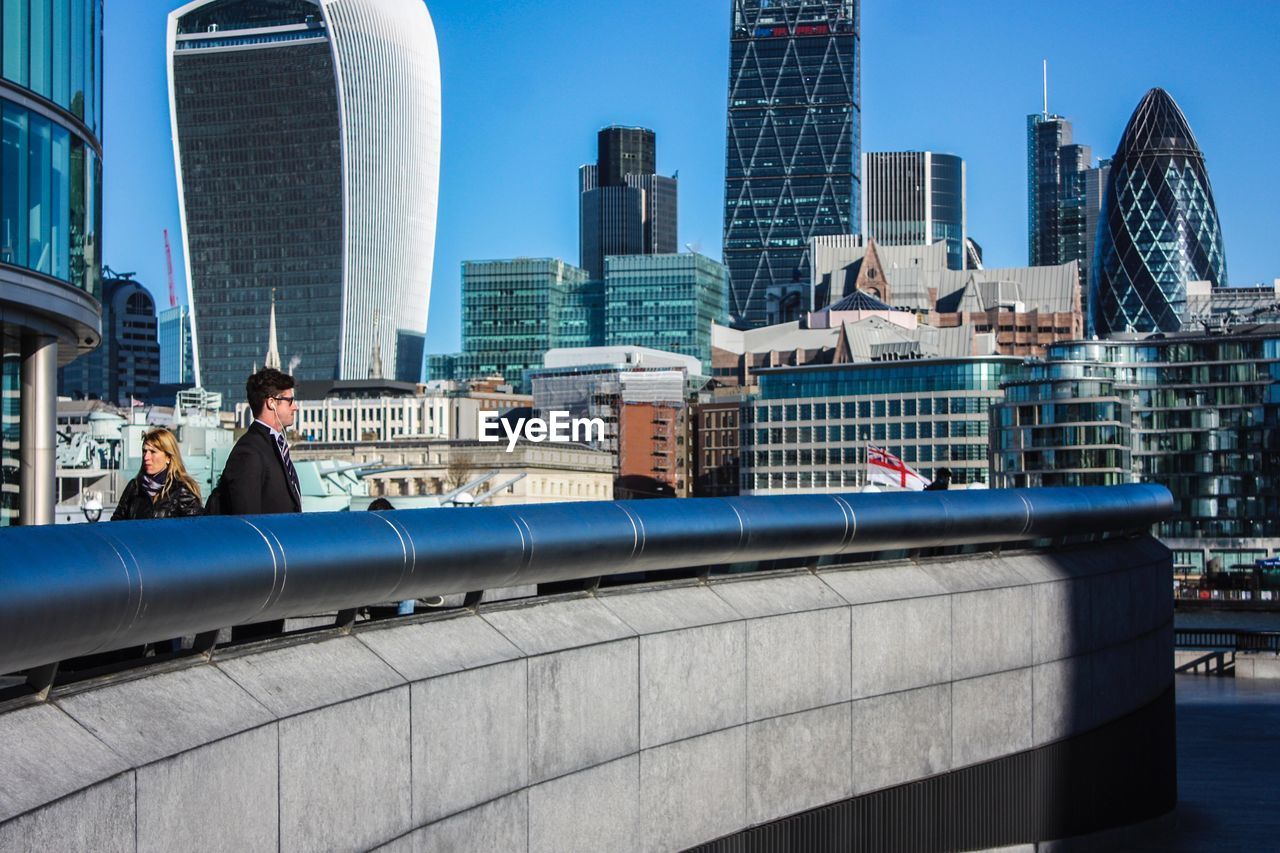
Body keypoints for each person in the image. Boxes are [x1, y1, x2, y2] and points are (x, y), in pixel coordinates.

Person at [216, 367, 303, 515]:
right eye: (290, 401)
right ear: (272, 403)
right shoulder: (248, 452)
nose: (295, 407)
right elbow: (247, 517)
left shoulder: (274, 445)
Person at [111, 428, 204, 520]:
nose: (146, 457)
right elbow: (116, 524)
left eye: (153, 452)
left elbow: (195, 528)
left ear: (168, 457)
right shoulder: (134, 487)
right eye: (144, 451)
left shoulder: (182, 490)